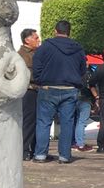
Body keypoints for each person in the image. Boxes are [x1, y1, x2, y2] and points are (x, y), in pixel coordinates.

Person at [31, 20, 85, 164]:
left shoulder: (46, 47)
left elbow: (36, 65)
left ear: (55, 31)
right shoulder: (78, 49)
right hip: (70, 89)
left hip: (48, 88)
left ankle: (40, 155)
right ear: (69, 32)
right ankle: (64, 156)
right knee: (67, 123)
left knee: (43, 122)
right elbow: (82, 70)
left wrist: (39, 79)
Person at [18, 28, 40, 160]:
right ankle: (24, 150)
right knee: (28, 122)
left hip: (37, 90)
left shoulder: (36, 53)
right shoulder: (22, 55)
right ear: (27, 40)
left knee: (38, 122)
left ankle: (36, 150)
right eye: (36, 38)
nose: (38, 40)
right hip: (28, 91)